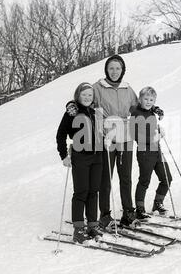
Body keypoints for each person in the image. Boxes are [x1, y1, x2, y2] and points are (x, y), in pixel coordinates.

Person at [65, 55, 164, 229]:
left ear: (122, 70)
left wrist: (153, 108)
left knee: (125, 177)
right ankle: (104, 215)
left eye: (118, 68)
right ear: (106, 69)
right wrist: (71, 104)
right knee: (106, 179)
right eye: (111, 68)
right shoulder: (97, 87)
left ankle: (128, 213)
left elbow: (138, 106)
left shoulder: (127, 89)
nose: (114, 71)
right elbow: (84, 99)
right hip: (106, 138)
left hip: (125, 137)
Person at [56, 82, 103, 243]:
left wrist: (107, 139)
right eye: (84, 95)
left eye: (90, 95)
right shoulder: (72, 112)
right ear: (78, 95)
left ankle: (92, 225)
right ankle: (78, 229)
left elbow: (99, 131)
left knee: (93, 191)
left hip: (97, 156)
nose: (87, 97)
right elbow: (61, 134)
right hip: (80, 156)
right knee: (81, 191)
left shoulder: (95, 111)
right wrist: (64, 156)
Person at [130, 87, 172, 219]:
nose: (148, 102)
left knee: (167, 178)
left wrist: (158, 130)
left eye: (151, 100)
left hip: (157, 150)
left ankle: (158, 203)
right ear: (140, 99)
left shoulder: (152, 112)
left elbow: (152, 126)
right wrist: (153, 138)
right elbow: (134, 134)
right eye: (146, 99)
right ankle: (140, 209)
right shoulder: (135, 113)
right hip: (144, 152)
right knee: (144, 180)